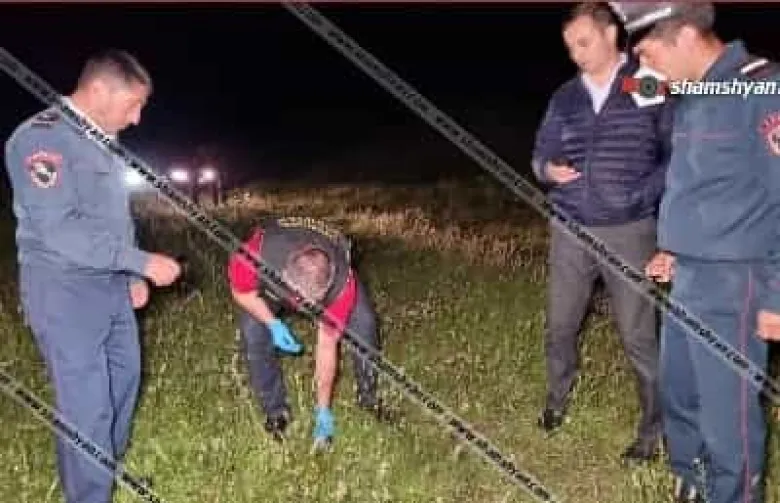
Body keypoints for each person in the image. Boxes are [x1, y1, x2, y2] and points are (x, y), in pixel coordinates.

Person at [610, 2, 780, 502]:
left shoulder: (761, 88)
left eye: (649, 54)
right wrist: (675, 249)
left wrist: (777, 292)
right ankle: (695, 482)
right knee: (680, 394)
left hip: (738, 281)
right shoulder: (693, 92)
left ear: (684, 35)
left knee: (729, 418)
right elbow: (699, 184)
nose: (646, 67)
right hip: (689, 275)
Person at [4, 50, 182, 503]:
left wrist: (130, 274)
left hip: (109, 284)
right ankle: (88, 494)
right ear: (99, 90)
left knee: (123, 383)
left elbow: (115, 217)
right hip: (63, 290)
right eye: (133, 105)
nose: (137, 118)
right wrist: (142, 261)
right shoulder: (40, 139)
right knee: (88, 407)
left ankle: (102, 472)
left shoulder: (103, 139)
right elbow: (61, 230)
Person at [531, 2, 673, 464]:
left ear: (612, 34)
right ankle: (556, 401)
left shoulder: (645, 83)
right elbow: (540, 154)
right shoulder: (565, 97)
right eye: (570, 47)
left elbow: (676, 152)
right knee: (560, 325)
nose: (577, 54)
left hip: (629, 231)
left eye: (584, 42)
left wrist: (641, 195)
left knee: (638, 336)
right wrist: (548, 170)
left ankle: (654, 430)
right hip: (570, 228)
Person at [226, 215, 393, 448]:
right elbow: (241, 293)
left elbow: (326, 346)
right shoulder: (257, 255)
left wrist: (323, 411)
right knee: (252, 330)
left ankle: (369, 397)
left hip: (324, 270)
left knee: (365, 324)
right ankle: (276, 413)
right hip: (279, 265)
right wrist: (272, 323)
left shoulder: (341, 286)